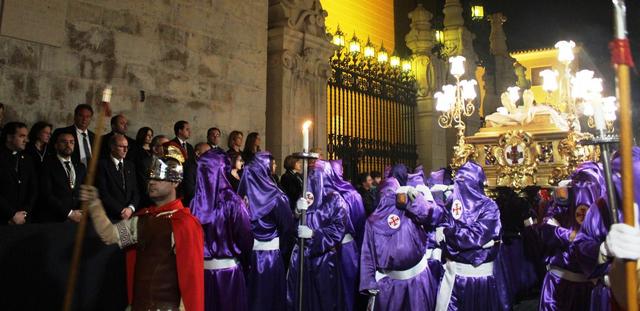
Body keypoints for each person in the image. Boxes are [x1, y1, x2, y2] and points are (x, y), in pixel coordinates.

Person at [80, 143, 204, 311]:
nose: (151, 183)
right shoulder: (143, 220)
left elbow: (191, 278)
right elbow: (109, 235)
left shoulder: (184, 224)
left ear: (175, 183)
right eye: (150, 178)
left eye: (158, 178)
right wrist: (95, 204)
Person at [359, 164, 441, 311]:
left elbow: (433, 216)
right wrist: (369, 283)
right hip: (390, 284)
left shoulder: (409, 211)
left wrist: (415, 200)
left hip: (417, 280)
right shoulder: (372, 222)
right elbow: (367, 255)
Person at [572, 147, 640, 310]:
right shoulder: (601, 207)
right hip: (609, 295)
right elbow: (580, 245)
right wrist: (602, 250)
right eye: (617, 175)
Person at [434, 161, 503, 311]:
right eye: (458, 182)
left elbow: (476, 236)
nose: (460, 187)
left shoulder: (489, 207)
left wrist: (448, 235)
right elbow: (444, 225)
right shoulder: (452, 203)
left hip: (479, 279)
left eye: (464, 182)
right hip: (454, 276)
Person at [535, 162, 604, 311]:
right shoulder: (561, 204)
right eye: (578, 184)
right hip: (559, 283)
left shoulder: (604, 209)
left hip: (589, 287)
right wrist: (570, 235)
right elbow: (546, 230)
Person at [190, 149, 253, 311]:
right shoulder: (233, 202)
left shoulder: (193, 203)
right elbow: (245, 238)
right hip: (227, 274)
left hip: (201, 274)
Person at [286, 159, 347, 311]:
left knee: (324, 299)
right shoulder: (305, 196)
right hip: (301, 257)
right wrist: (296, 213)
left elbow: (337, 230)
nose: (313, 177)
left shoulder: (336, 200)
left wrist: (314, 234)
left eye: (317, 173)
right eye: (311, 173)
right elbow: (290, 229)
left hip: (323, 258)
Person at [237, 151, 294, 311]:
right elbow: (288, 228)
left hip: (247, 257)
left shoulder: (239, 197)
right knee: (270, 299)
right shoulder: (277, 198)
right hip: (269, 257)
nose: (275, 166)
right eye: (272, 164)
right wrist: (282, 249)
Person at [325, 160, 366, 311]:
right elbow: (360, 222)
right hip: (343, 247)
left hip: (333, 247)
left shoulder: (324, 193)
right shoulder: (351, 194)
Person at [37, 132, 86, 223]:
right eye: (64, 142)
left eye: (72, 142)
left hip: (78, 218)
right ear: (56, 145)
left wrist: (81, 212)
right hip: (55, 218)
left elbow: (84, 191)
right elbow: (46, 194)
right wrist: (69, 213)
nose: (68, 145)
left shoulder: (80, 166)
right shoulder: (47, 165)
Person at [0, 122, 38, 225]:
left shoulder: (28, 160)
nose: (26, 140)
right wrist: (12, 214)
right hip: (3, 219)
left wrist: (24, 214)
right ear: (9, 137)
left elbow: (33, 189)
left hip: (24, 219)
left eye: (27, 136)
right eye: (22, 136)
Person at [96, 135, 139, 221]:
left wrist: (131, 208)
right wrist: (122, 210)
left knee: (126, 235)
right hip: (110, 216)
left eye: (127, 147)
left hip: (129, 215)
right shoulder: (102, 165)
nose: (125, 150)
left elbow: (135, 191)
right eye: (121, 146)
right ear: (112, 147)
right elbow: (103, 193)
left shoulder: (130, 165)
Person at [172, 120, 196, 206]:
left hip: (188, 185)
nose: (190, 132)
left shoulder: (190, 147)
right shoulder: (172, 145)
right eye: (187, 129)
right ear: (180, 131)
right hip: (177, 184)